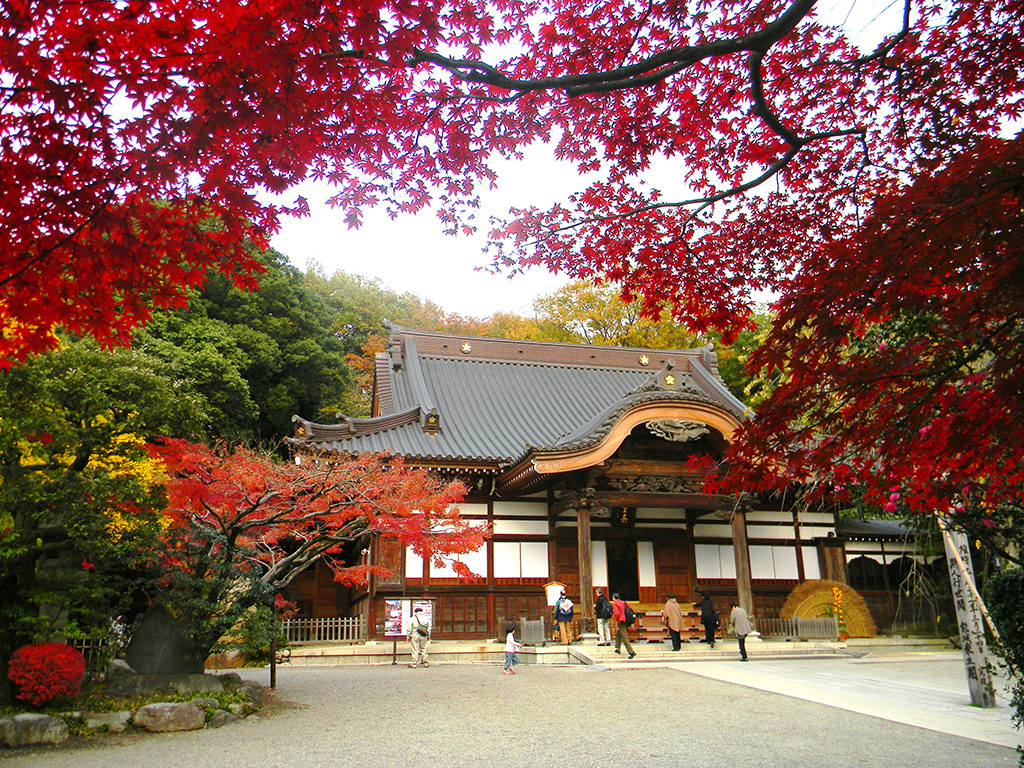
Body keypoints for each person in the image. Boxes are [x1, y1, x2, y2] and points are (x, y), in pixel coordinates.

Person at [611, 592, 636, 659]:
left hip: (621, 620)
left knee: (624, 636)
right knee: (619, 633)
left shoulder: (615, 604)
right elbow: (631, 609)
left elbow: (616, 614)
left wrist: (618, 620)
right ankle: (617, 647)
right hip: (627, 620)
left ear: (613, 598)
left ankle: (631, 651)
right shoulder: (624, 603)